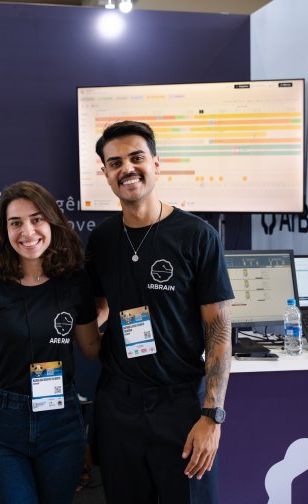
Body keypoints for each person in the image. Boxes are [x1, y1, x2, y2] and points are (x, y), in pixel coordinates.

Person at [86, 121, 234, 504]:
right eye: (115, 163)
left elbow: (219, 331)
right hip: (119, 404)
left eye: (136, 158)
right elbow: (100, 305)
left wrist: (212, 416)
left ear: (156, 163)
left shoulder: (197, 235)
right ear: (105, 173)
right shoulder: (102, 240)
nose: (127, 169)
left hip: (180, 405)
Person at [0, 180, 101, 504]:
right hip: (3, 425)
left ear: (52, 221)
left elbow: (91, 347)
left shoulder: (74, 281)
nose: (27, 232)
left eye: (36, 219)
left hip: (61, 422)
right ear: (4, 230)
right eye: (16, 223)